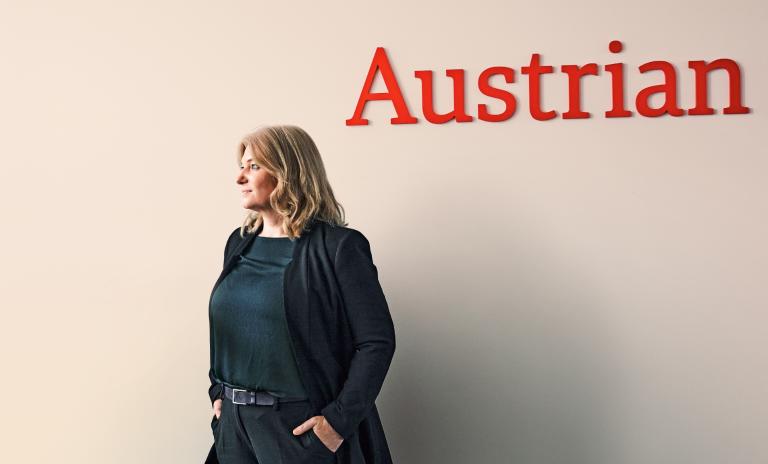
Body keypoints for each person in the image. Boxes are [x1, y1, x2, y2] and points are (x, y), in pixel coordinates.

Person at [204, 125, 396, 464]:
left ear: (287, 173)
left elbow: (376, 342)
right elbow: (230, 329)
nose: (240, 177)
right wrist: (218, 393)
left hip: (296, 429)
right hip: (234, 426)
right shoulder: (238, 242)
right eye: (241, 166)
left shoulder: (339, 248)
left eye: (253, 166)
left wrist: (336, 423)